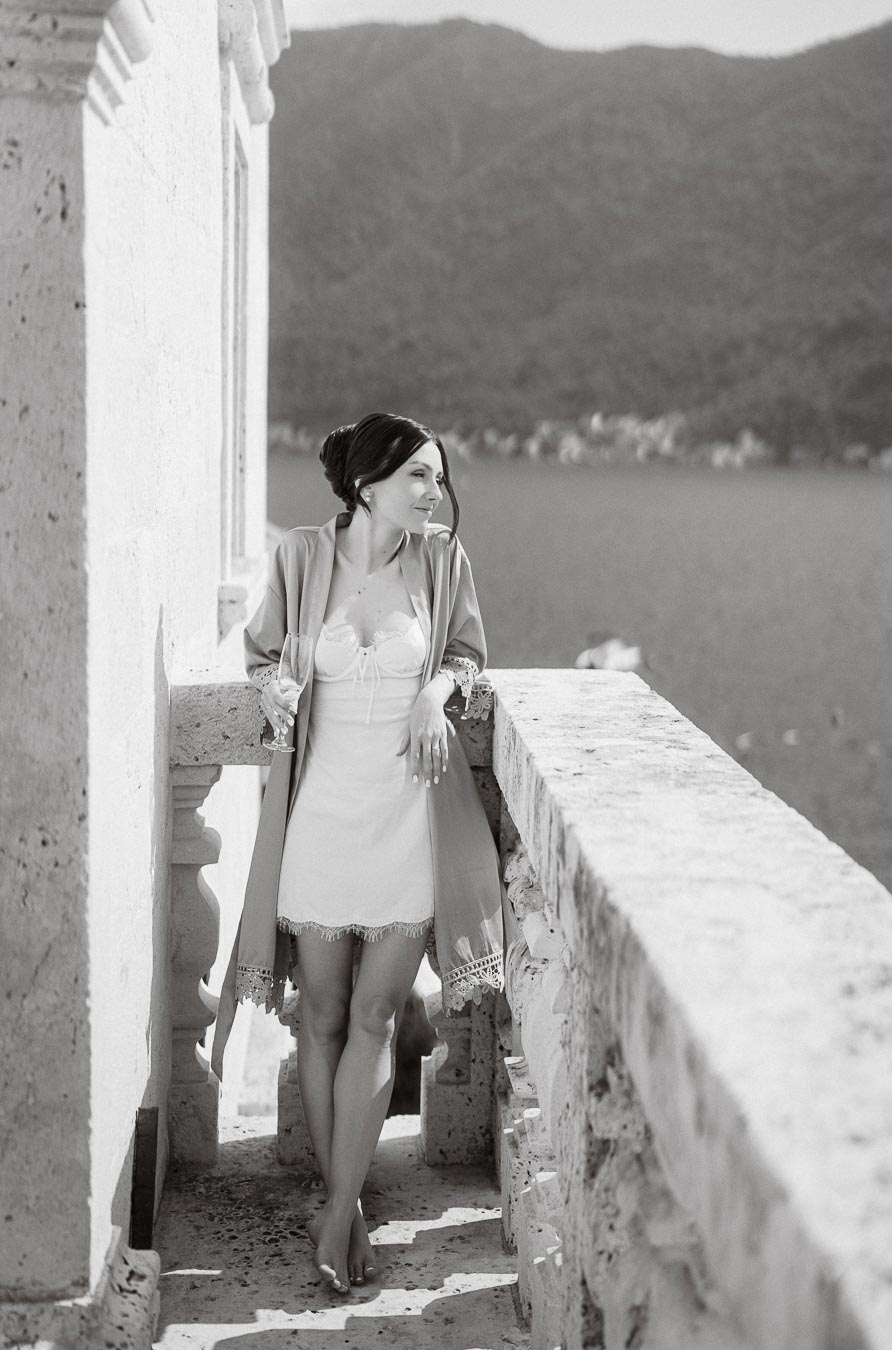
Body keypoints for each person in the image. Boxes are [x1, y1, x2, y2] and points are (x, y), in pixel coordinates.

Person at [211, 412, 505, 1296]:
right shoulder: (302, 558)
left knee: (378, 1017)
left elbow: (465, 653)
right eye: (418, 476)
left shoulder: (442, 561)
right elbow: (262, 655)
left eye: (438, 479)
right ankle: (341, 1203)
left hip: (406, 824)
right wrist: (281, 686)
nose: (433, 492)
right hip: (321, 823)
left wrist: (437, 694)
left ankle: (337, 1210)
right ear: (369, 483)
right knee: (323, 1017)